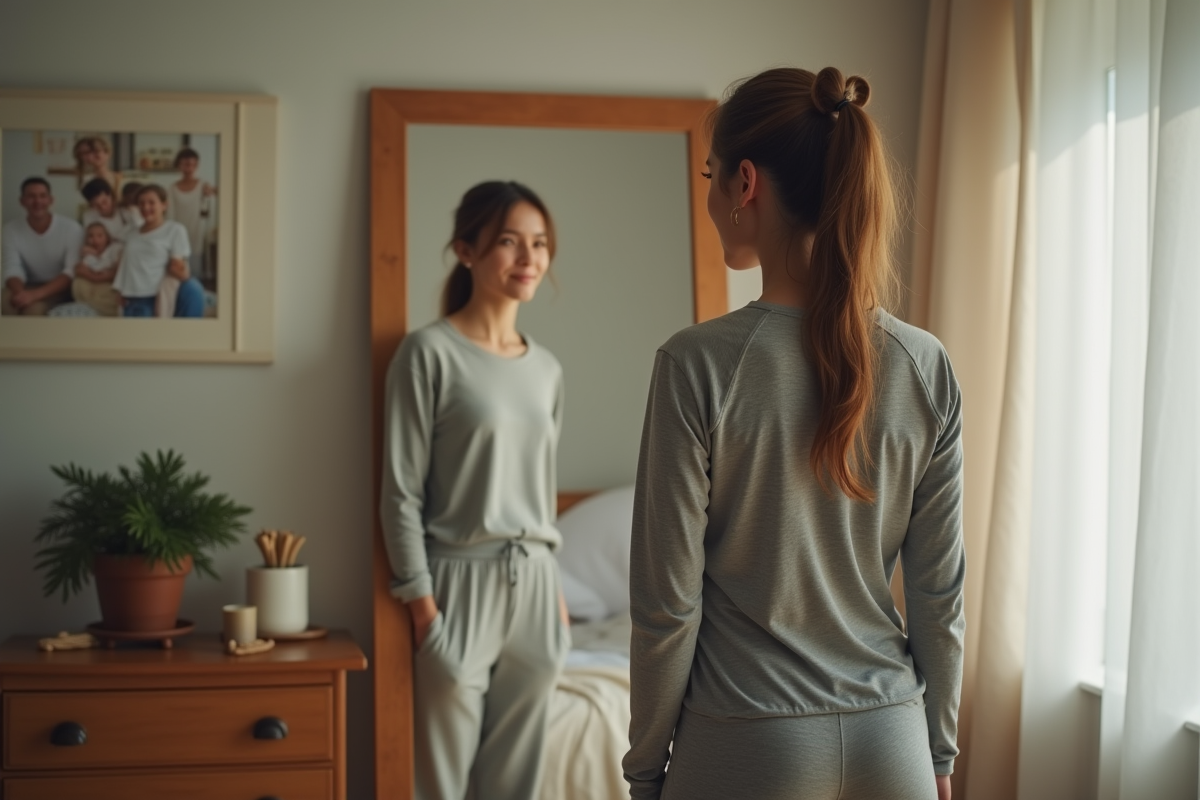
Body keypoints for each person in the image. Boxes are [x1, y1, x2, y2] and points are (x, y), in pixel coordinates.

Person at [624, 67, 966, 800]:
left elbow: (666, 608)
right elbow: (939, 593)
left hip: (746, 741)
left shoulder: (695, 363)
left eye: (712, 175)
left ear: (746, 183)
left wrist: (646, 770)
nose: (711, 196)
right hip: (893, 739)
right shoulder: (924, 363)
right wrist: (936, 755)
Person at [380, 181, 570, 800]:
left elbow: (540, 490)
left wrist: (557, 596)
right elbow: (400, 491)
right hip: (455, 585)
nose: (529, 258)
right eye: (509, 242)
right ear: (467, 249)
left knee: (517, 786)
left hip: (538, 585)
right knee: (444, 786)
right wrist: (421, 604)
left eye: (539, 244)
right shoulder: (427, 353)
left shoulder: (546, 369)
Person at [112, 184, 205, 318]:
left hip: (159, 294)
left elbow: (178, 268)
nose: (145, 207)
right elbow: (126, 263)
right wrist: (119, 290)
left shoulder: (175, 230)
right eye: (141, 203)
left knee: (193, 288)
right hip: (134, 297)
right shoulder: (132, 233)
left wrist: (178, 268)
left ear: (164, 205)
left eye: (151, 202)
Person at [2, 177, 83, 316]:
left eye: (42, 196)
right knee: (5, 305)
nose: (37, 201)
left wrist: (35, 295)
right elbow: (12, 268)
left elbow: (71, 271)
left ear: (51, 200)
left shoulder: (71, 228)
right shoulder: (9, 230)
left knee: (33, 311)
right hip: (25, 286)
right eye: (31, 196)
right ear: (22, 201)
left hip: (58, 289)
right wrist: (20, 294)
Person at [167, 148, 216, 282]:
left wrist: (211, 193)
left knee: (196, 263)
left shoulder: (203, 185)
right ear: (179, 165)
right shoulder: (172, 187)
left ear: (197, 165)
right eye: (185, 164)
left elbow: (212, 205)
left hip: (198, 230)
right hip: (178, 229)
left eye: (192, 164)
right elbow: (170, 213)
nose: (189, 168)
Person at [71, 222, 123, 316]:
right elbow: (79, 269)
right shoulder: (88, 254)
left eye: (100, 236)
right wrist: (95, 256)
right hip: (94, 287)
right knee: (78, 282)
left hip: (108, 287)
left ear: (107, 237)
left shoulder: (115, 248)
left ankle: (94, 308)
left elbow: (117, 272)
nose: (95, 240)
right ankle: (92, 307)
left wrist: (95, 276)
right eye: (90, 236)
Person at [81, 178, 141, 242]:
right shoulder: (89, 217)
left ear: (111, 195)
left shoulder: (126, 210)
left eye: (104, 202)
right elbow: (91, 242)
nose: (103, 207)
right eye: (96, 205)